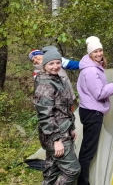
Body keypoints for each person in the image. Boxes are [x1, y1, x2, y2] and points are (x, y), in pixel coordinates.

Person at [76, 36, 113, 185]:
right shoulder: (91, 71)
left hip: (89, 111)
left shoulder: (90, 67)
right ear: (90, 54)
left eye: (100, 50)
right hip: (92, 113)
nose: (99, 54)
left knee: (87, 147)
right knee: (88, 151)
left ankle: (81, 178)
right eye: (95, 51)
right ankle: (82, 182)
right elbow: (99, 93)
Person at [33, 47, 80, 184]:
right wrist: (56, 140)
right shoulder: (45, 85)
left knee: (52, 172)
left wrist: (71, 127)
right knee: (73, 171)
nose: (55, 66)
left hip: (63, 130)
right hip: (55, 135)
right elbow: (45, 116)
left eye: (58, 63)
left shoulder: (57, 79)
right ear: (45, 65)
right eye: (51, 64)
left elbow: (63, 109)